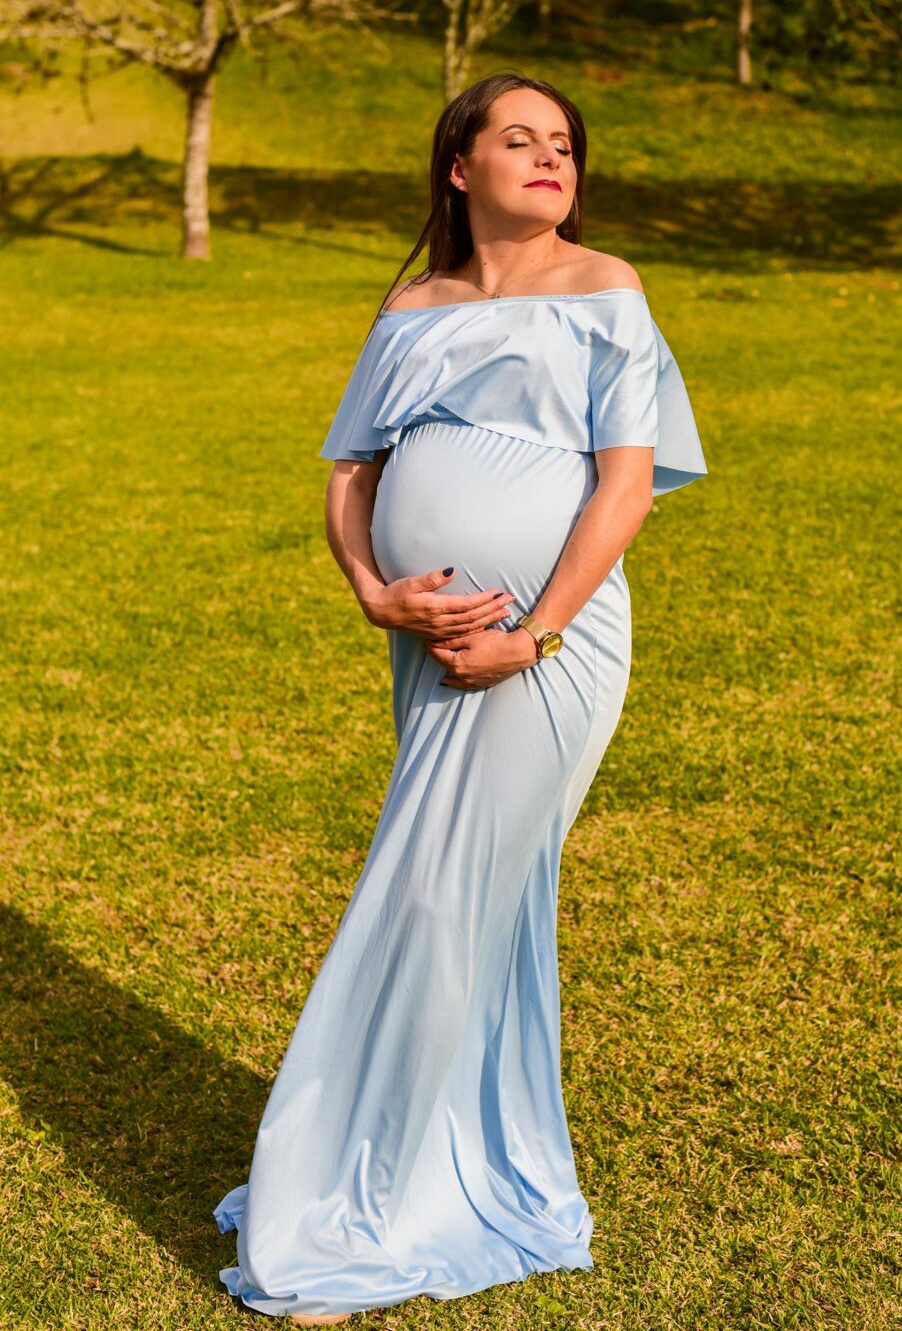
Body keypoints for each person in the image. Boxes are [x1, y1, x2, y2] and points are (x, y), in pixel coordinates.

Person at [213, 71, 707, 1323]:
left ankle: (356, 1195)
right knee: (465, 898)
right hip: (429, 640)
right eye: (520, 139)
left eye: (564, 146)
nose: (550, 159)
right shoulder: (414, 303)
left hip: (552, 650)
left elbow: (624, 488)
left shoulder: (608, 288)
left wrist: (533, 636)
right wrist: (375, 589)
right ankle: (451, 1158)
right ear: (459, 166)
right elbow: (349, 471)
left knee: (434, 891)